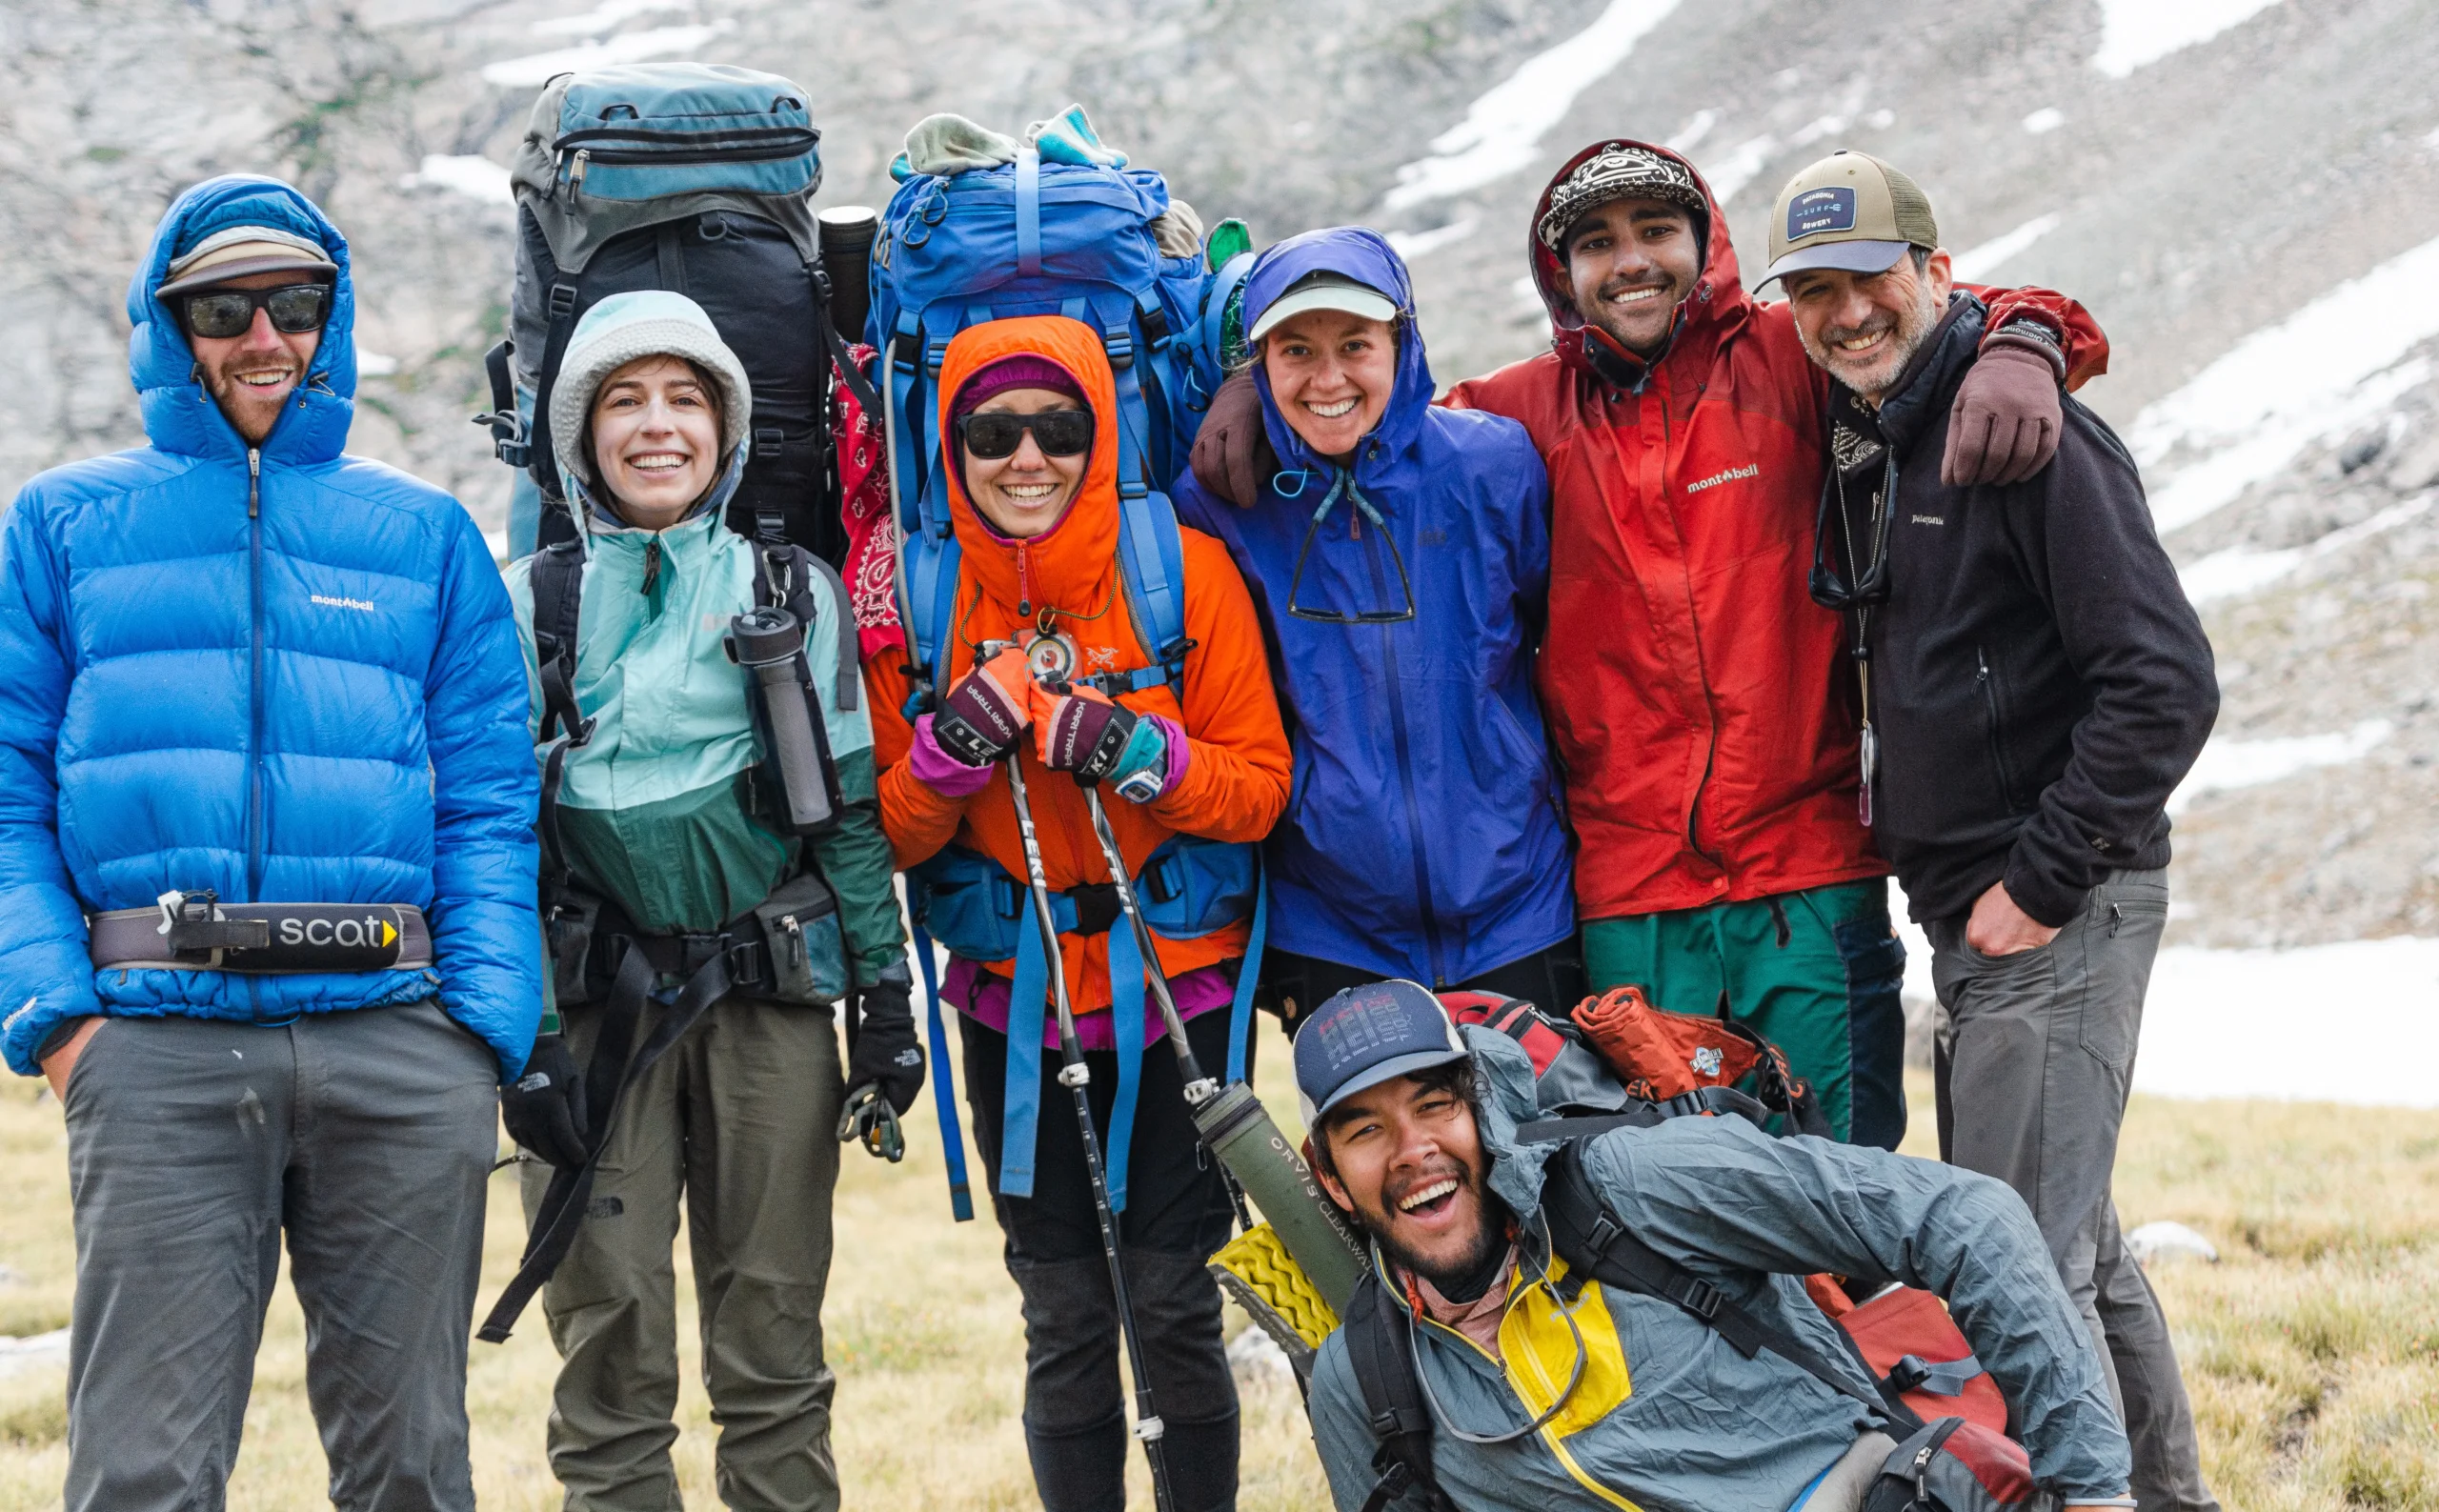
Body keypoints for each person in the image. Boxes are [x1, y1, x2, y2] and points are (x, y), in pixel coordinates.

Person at [1196, 141, 2108, 1151]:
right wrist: (1254, 392)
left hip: (1804, 874)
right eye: (1596, 242)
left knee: (1847, 1185)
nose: (1628, 261)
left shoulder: (1787, 357)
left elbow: (1927, 317)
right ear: (1560, 273)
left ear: (1703, 243)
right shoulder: (1518, 416)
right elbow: (1379, 423)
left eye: (1654, 232)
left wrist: (2024, 340)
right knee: (1671, 1199)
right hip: (1628, 895)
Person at [0, 175, 537, 1512]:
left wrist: (481, 1029)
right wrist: (60, 1021)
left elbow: (487, 797)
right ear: (167, 323)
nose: (260, 335)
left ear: (329, 317)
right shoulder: (58, 526)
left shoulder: (421, 534)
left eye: (292, 304)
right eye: (221, 308)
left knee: (413, 1464)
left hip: (398, 1044)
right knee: (143, 1471)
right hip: (156, 1045)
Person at [1767, 151, 2221, 1512]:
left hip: (2051, 912)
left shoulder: (2023, 433)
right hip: (1977, 919)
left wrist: (2042, 876)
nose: (1845, 313)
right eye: (1815, 293)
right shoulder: (1898, 426)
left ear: (1936, 271)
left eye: (1870, 280)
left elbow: (2166, 679)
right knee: (2079, 1243)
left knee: (2023, 1265)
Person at [495, 291, 917, 1511]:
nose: (657, 426)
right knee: (609, 1346)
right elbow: (489, 843)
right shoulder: (531, 604)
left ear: (726, 426)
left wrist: (881, 1001)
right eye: (623, 400)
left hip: (767, 1003)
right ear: (577, 434)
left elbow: (839, 818)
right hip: (592, 1016)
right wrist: (518, 1042)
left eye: (686, 397)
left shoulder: (792, 590)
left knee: (774, 1340)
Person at [865, 314, 1292, 1512]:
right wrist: (953, 748)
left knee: (1171, 1299)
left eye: (1058, 427)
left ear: (1098, 434)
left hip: (1178, 986)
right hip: (1014, 993)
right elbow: (885, 834)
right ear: (950, 445)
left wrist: (1131, 748)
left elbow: (1258, 791)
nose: (1025, 458)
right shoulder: (916, 594)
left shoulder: (1181, 574)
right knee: (1058, 1310)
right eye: (990, 431)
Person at [1293, 980, 2138, 1512]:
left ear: (1483, 1114)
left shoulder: (1632, 1182)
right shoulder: (1363, 1376)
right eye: (1366, 1129)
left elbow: (1969, 1217)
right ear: (1331, 1180)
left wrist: (2095, 1490)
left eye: (1435, 1105)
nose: (1413, 1150)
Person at [1171, 227, 1581, 1025]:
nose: (1329, 378)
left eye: (1356, 343)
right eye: (1295, 351)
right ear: (1260, 367)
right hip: (1332, 925)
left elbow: (1553, 639)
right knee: (1382, 1155)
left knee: (1542, 1148)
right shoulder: (1223, 504)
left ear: (1403, 342)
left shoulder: (1491, 465)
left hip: (1520, 904)